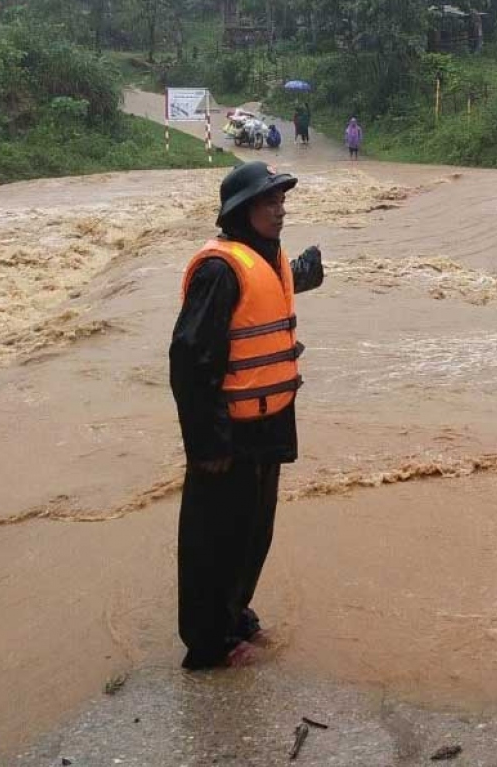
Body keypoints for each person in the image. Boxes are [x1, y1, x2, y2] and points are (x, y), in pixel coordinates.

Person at [169, 161, 325, 670]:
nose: (280, 211)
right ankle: (206, 644)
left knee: (253, 530)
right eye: (268, 203)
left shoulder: (266, 256)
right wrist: (207, 445)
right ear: (241, 211)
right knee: (214, 537)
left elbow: (278, 288)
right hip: (227, 433)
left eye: (282, 202)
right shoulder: (218, 271)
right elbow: (190, 360)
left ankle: (233, 615)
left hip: (267, 425)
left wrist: (309, 271)